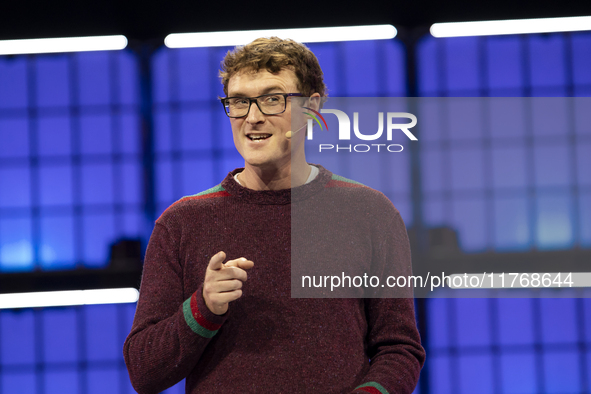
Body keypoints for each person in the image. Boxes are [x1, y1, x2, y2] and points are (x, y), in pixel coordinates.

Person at [124, 37, 425, 394]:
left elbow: (399, 348)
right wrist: (202, 309)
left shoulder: (369, 213)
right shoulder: (181, 223)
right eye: (238, 102)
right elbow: (143, 369)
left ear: (311, 109)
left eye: (272, 99)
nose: (252, 117)